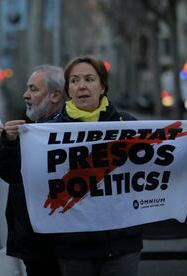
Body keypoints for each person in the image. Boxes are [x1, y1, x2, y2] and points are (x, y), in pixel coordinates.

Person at [47, 55, 142, 276]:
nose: (81, 86)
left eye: (89, 79)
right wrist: (10, 144)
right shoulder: (47, 131)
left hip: (121, 244)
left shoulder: (128, 125)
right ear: (68, 89)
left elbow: (165, 156)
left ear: (102, 87)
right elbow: (13, 171)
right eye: (74, 80)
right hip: (74, 246)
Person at [0, 65, 65, 276]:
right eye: (27, 88)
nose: (26, 95)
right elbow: (10, 174)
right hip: (33, 241)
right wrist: (8, 144)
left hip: (58, 242)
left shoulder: (72, 130)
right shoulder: (27, 130)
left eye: (33, 89)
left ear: (55, 95)